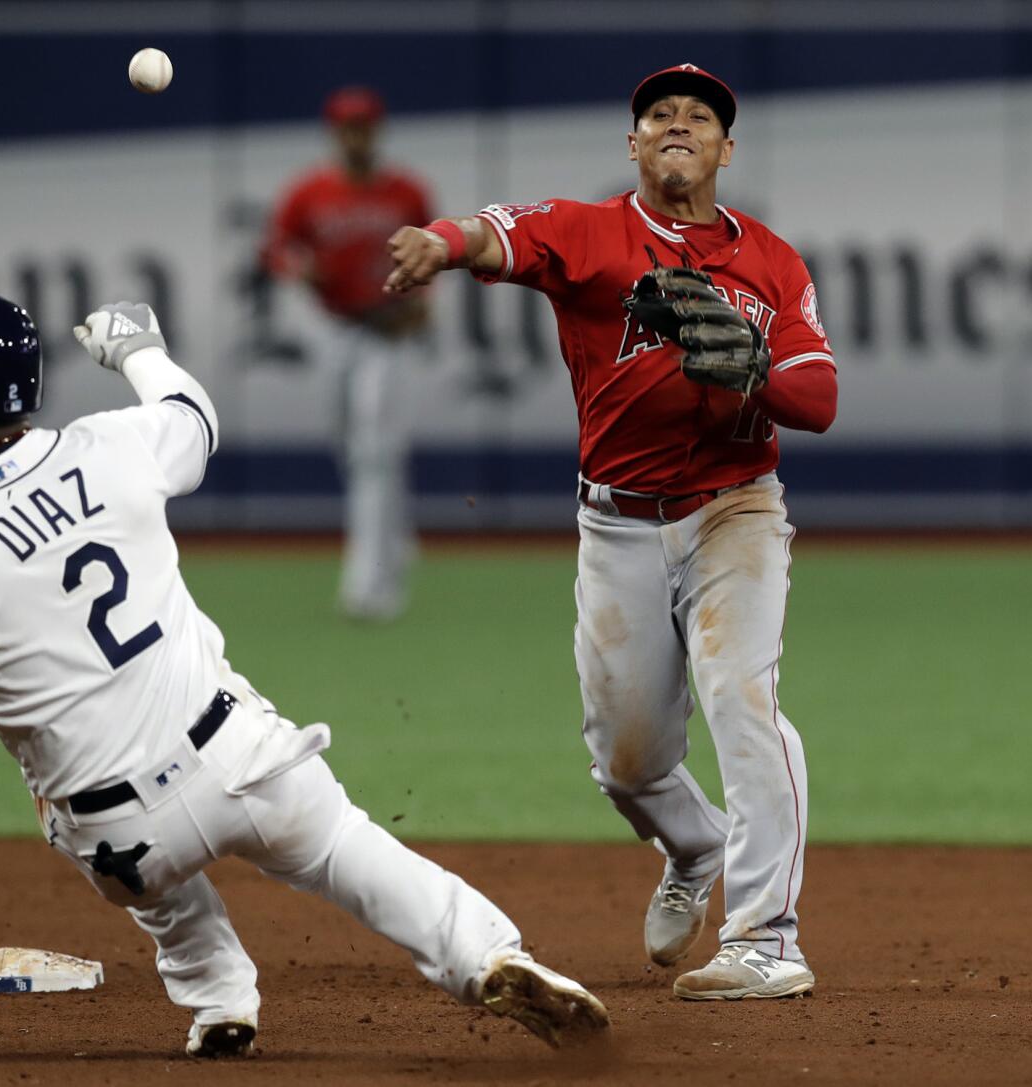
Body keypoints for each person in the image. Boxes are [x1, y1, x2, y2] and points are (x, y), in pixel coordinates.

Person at [0, 289, 610, 1055]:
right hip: (243, 760)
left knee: (91, 826)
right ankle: (488, 955)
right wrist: (139, 349)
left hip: (121, 839)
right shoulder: (105, 445)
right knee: (349, 850)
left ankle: (218, 994)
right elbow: (195, 417)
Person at [383, 64, 838, 1001]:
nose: (678, 123)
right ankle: (695, 844)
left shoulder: (776, 262)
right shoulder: (588, 232)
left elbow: (820, 399)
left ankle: (768, 938)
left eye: (699, 115)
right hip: (618, 522)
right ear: (632, 144)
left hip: (734, 510)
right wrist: (438, 241)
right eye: (658, 114)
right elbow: (492, 234)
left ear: (725, 149)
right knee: (627, 762)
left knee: (741, 695)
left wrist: (753, 369)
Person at [263, 86, 432, 620]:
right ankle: (396, 537)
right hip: (332, 327)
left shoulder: (405, 191)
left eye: (364, 126)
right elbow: (275, 248)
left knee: (373, 453)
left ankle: (371, 586)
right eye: (346, 127)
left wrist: (423, 299)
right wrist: (298, 267)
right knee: (348, 443)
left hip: (385, 330)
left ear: (375, 132)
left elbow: (433, 248)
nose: (356, 135)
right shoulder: (310, 191)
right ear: (334, 133)